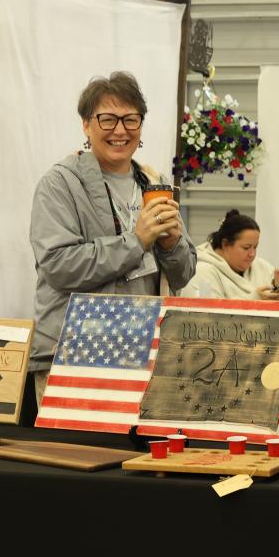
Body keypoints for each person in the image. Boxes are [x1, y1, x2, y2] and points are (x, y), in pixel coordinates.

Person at [29, 71, 196, 403]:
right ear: (86, 125)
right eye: (107, 119)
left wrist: (171, 245)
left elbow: (184, 273)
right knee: (81, 440)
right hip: (74, 355)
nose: (120, 131)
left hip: (144, 351)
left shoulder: (154, 182)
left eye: (130, 119)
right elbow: (58, 265)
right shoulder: (60, 184)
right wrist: (137, 242)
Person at [183, 210, 279, 300]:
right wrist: (254, 300)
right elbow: (204, 313)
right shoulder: (201, 273)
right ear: (225, 244)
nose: (252, 254)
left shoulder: (262, 267)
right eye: (246, 248)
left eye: (255, 247)